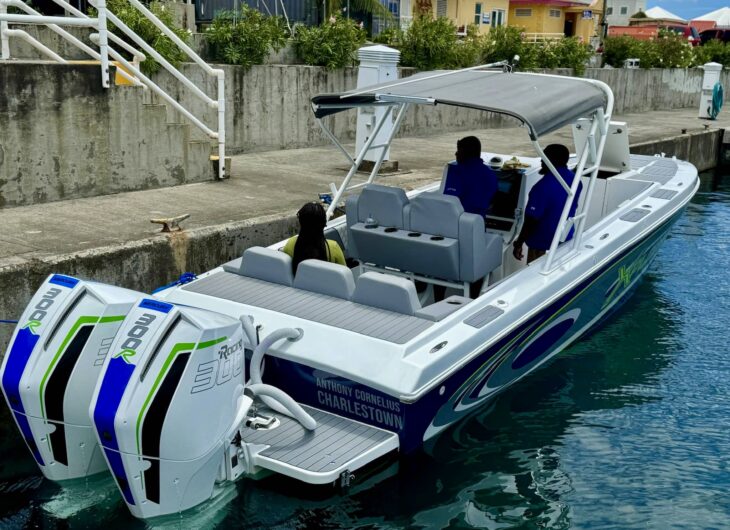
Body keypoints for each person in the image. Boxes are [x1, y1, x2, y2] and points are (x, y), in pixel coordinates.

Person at [512, 144, 582, 264]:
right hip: (565, 236)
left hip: (541, 243)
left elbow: (532, 220)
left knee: (534, 276)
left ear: (551, 161)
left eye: (544, 158)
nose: (541, 161)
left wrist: (519, 243)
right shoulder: (576, 180)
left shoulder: (541, 187)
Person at [282, 202, 346, 273]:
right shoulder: (333, 247)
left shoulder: (291, 244)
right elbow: (344, 273)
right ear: (324, 223)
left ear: (301, 222)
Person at [442, 136, 498, 218]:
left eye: (459, 150)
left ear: (466, 153)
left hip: (457, 223)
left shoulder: (457, 172)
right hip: (478, 224)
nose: (456, 153)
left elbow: (448, 202)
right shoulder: (491, 174)